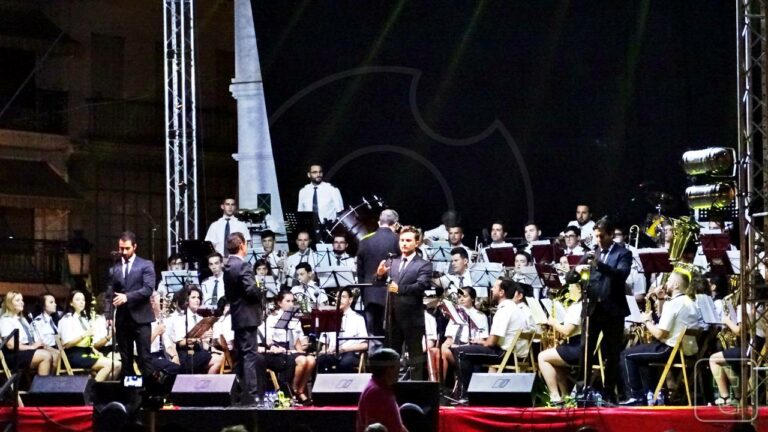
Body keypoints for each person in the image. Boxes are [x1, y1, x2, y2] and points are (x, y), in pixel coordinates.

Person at [568, 218, 632, 402]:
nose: (598, 240)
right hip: (592, 309)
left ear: (611, 234)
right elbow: (569, 278)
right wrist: (576, 270)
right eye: (596, 236)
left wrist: (599, 265)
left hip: (613, 310)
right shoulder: (591, 252)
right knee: (585, 350)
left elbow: (621, 275)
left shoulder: (623, 253)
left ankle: (609, 391)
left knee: (612, 353)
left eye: (602, 236)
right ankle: (582, 389)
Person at [619, 270, 699, 405]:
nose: (665, 284)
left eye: (669, 281)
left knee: (626, 355)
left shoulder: (674, 303)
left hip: (669, 349)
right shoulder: (689, 302)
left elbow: (660, 334)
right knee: (640, 357)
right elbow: (666, 321)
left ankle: (635, 396)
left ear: (676, 285)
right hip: (685, 350)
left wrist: (646, 321)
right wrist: (661, 300)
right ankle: (650, 394)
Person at [452, 278, 531, 400]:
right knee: (472, 352)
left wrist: (483, 342)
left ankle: (466, 396)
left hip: (505, 354)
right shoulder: (514, 307)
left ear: (502, 292)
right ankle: (477, 394)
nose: (492, 290)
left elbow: (492, 342)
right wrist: (481, 342)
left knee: (460, 351)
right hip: (515, 354)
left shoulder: (504, 310)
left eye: (494, 287)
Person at [376, 226, 432, 380]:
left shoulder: (423, 264)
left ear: (417, 243)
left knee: (415, 356)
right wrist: (379, 275)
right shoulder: (392, 261)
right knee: (391, 355)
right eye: (402, 240)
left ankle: (416, 386)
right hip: (392, 316)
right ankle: (390, 386)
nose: (404, 243)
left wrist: (400, 289)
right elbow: (378, 283)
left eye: (408, 240)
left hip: (412, 317)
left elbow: (422, 285)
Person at [107, 230, 155, 378]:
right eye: (121, 248)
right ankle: (128, 389)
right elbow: (109, 294)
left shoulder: (145, 265)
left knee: (144, 356)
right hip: (123, 319)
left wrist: (127, 297)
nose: (124, 252)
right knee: (125, 358)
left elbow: (148, 289)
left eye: (127, 248)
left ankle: (149, 388)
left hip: (141, 318)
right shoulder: (114, 268)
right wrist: (108, 315)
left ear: (135, 247)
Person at [223, 231, 263, 403]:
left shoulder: (228, 266)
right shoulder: (243, 265)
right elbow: (250, 290)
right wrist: (260, 290)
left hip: (238, 316)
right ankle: (252, 395)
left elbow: (229, 294)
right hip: (248, 317)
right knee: (250, 355)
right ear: (241, 245)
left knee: (241, 356)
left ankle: (239, 392)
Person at [357, 209, 401, 338]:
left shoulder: (364, 241)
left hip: (370, 295)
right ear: (396, 224)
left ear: (379, 222)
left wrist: (364, 295)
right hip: (393, 295)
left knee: (374, 337)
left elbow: (360, 272)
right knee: (393, 337)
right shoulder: (399, 241)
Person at [537, 283, 583, 404]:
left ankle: (554, 396)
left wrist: (554, 323)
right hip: (585, 346)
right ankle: (565, 396)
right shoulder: (588, 303)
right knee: (555, 360)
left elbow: (567, 331)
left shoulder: (578, 306)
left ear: (579, 288)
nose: (569, 289)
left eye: (572, 286)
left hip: (579, 347)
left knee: (542, 357)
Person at [59, 290, 121, 381]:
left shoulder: (84, 319)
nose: (81, 302)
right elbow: (67, 344)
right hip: (74, 354)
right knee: (108, 365)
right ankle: (92, 388)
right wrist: (85, 335)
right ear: (71, 303)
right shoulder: (67, 319)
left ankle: (102, 388)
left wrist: (94, 350)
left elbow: (88, 342)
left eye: (83, 300)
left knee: (118, 365)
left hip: (87, 352)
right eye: (77, 300)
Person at [266, 291, 315, 404]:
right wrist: (273, 347)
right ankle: (294, 389)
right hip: (280, 349)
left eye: (292, 301)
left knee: (311, 360)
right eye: (287, 301)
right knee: (302, 360)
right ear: (279, 303)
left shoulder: (295, 320)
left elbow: (300, 340)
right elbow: (268, 339)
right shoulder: (272, 318)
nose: (291, 304)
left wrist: (305, 344)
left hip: (294, 349)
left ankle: (301, 389)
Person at [436, 287, 489, 385]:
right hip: (454, 349)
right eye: (459, 297)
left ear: (472, 299)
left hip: (470, 349)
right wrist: (449, 344)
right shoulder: (455, 316)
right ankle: (439, 386)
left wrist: (461, 346)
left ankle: (445, 386)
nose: (461, 299)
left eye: (464, 296)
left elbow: (481, 340)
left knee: (448, 351)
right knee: (441, 350)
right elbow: (449, 339)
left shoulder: (481, 316)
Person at [168, 286, 223, 374]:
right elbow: (181, 343)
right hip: (186, 354)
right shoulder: (180, 318)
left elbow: (204, 345)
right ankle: (207, 382)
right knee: (218, 359)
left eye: (198, 298)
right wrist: (199, 338)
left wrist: (208, 340)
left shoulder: (200, 318)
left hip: (199, 352)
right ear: (186, 300)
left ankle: (206, 381)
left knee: (219, 357)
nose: (197, 300)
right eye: (193, 297)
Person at [0, 291, 54, 376]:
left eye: (22, 300)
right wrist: (32, 347)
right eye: (17, 300)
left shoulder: (22, 319)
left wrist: (38, 345)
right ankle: (41, 384)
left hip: (26, 349)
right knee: (45, 355)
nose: (22, 302)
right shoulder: (6, 320)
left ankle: (50, 382)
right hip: (14, 354)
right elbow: (11, 345)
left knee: (55, 354)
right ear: (9, 303)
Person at [317, 287, 369, 373]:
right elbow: (324, 342)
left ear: (350, 300)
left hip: (350, 352)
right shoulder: (329, 317)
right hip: (332, 353)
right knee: (320, 360)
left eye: (343, 297)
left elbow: (364, 345)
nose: (339, 299)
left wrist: (343, 349)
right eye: (337, 297)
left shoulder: (358, 318)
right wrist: (325, 350)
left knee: (344, 363)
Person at [356, 348, 408, 432]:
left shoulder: (382, 388)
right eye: (397, 367)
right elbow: (373, 429)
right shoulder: (376, 393)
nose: (399, 372)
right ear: (389, 369)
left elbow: (398, 425)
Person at [147, 291, 181, 376]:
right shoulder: (145, 322)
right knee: (174, 369)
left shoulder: (162, 321)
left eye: (165, 301)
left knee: (181, 367)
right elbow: (140, 347)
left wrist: (174, 356)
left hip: (162, 355)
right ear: (152, 303)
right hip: (149, 356)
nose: (165, 303)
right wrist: (155, 333)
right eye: (161, 301)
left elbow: (167, 342)